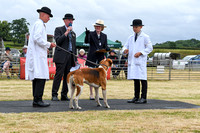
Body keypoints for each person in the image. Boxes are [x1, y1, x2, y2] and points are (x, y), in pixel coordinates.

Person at [25, 7, 56, 107]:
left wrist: (44, 47)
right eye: (48, 16)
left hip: (38, 54)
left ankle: (36, 99)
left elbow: (36, 39)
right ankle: (38, 99)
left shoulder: (39, 24)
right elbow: (37, 38)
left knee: (38, 77)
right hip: (37, 56)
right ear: (42, 14)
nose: (49, 18)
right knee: (40, 77)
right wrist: (48, 44)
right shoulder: (39, 24)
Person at [123, 19, 153, 104]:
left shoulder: (145, 37)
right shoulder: (130, 37)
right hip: (133, 61)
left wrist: (141, 53)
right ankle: (136, 97)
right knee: (135, 79)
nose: (134, 29)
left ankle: (143, 97)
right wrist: (125, 50)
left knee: (143, 79)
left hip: (140, 61)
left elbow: (150, 48)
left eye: (136, 27)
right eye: (133, 27)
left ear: (141, 27)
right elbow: (125, 46)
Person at [51, 13, 77, 101]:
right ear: (65, 20)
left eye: (72, 20)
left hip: (70, 56)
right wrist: (66, 32)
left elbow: (74, 47)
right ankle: (54, 94)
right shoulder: (59, 29)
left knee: (68, 76)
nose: (71, 21)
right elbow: (58, 41)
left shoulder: (73, 33)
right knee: (58, 75)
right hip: (61, 56)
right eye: (69, 20)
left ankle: (64, 94)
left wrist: (75, 59)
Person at [85, 19, 110, 100]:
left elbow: (105, 46)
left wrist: (107, 49)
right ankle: (91, 94)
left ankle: (97, 95)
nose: (97, 27)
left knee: (99, 76)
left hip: (100, 58)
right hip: (92, 56)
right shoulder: (91, 34)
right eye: (96, 26)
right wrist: (87, 34)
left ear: (102, 27)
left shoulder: (104, 36)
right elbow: (86, 41)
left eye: (99, 26)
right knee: (91, 75)